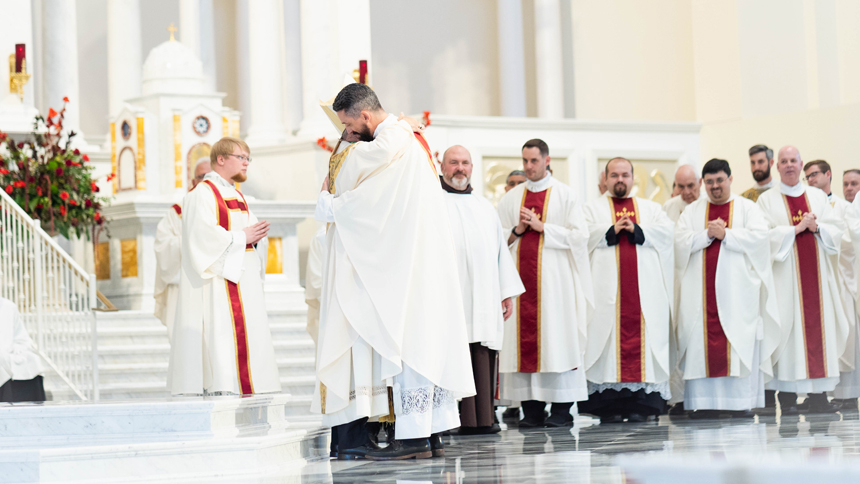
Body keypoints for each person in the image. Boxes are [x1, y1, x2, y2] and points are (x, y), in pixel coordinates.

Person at [312, 83, 474, 460]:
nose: (349, 133)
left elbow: (363, 202)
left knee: (409, 343)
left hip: (407, 263)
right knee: (424, 340)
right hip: (421, 257)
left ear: (365, 116)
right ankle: (429, 435)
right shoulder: (411, 138)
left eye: (350, 124)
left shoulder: (386, 145)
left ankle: (414, 439)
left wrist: (326, 204)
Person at [167, 137, 280, 397]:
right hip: (218, 285)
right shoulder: (201, 195)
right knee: (221, 337)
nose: (246, 163)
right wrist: (243, 237)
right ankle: (223, 386)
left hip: (242, 281)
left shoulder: (236, 194)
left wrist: (253, 238)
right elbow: (201, 239)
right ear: (221, 159)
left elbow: (248, 235)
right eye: (241, 157)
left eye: (247, 159)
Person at [497, 139, 593, 428]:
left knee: (557, 343)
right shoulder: (512, 198)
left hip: (556, 289)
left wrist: (543, 228)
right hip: (521, 286)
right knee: (524, 348)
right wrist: (517, 230)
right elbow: (496, 238)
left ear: (547, 160)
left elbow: (580, 236)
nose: (528, 167)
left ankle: (562, 412)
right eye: (525, 161)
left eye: (534, 161)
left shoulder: (565, 195)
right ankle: (532, 411)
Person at [674, 158, 780, 418]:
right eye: (709, 182)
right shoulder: (692, 211)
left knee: (737, 345)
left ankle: (739, 403)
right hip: (700, 298)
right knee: (701, 347)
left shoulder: (747, 208)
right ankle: (704, 403)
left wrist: (727, 235)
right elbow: (677, 243)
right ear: (703, 183)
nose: (715, 186)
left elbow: (760, 240)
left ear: (730, 179)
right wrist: (706, 235)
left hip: (737, 297)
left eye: (720, 180)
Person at [580, 157, 674, 423]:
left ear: (633, 178)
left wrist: (638, 229)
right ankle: (608, 406)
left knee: (644, 346)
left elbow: (668, 234)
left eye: (625, 175)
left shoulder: (651, 209)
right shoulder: (590, 209)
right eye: (614, 175)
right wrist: (610, 230)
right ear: (605, 178)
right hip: (605, 295)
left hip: (644, 295)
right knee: (607, 345)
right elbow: (580, 236)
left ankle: (641, 405)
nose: (619, 180)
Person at [439, 145, 525, 434]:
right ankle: (450, 420)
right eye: (454, 163)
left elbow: (501, 252)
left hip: (484, 298)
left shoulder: (484, 207)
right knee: (452, 351)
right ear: (442, 166)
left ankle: (483, 419)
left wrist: (506, 292)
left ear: (472, 168)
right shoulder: (432, 204)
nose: (460, 168)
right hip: (450, 298)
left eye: (465, 163)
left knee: (481, 352)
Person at [756, 146, 848, 414]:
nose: (788, 165)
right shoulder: (767, 200)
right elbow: (763, 237)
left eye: (793, 161)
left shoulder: (818, 197)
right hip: (785, 282)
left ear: (801, 163)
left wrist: (817, 227)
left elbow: (838, 230)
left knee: (819, 333)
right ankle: (786, 399)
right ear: (777, 167)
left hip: (817, 281)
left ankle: (819, 398)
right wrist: (795, 229)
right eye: (783, 161)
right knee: (787, 333)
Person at [803, 160, 860, 410]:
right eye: (809, 176)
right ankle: (820, 394)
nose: (811, 179)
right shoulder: (809, 203)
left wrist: (822, 231)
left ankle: (846, 394)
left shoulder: (842, 207)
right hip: (819, 279)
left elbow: (847, 241)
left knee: (846, 336)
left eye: (815, 174)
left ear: (828, 175)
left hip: (842, 278)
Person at [153, 159, 212, 342]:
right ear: (193, 182)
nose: (205, 181)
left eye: (209, 177)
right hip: (181, 285)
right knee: (182, 341)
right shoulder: (177, 212)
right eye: (201, 177)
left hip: (213, 287)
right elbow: (163, 245)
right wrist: (190, 243)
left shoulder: (226, 209)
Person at [0, 298, 46, 402]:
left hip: (8, 352)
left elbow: (21, 338)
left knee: (33, 360)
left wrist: (17, 348)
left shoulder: (9, 307)